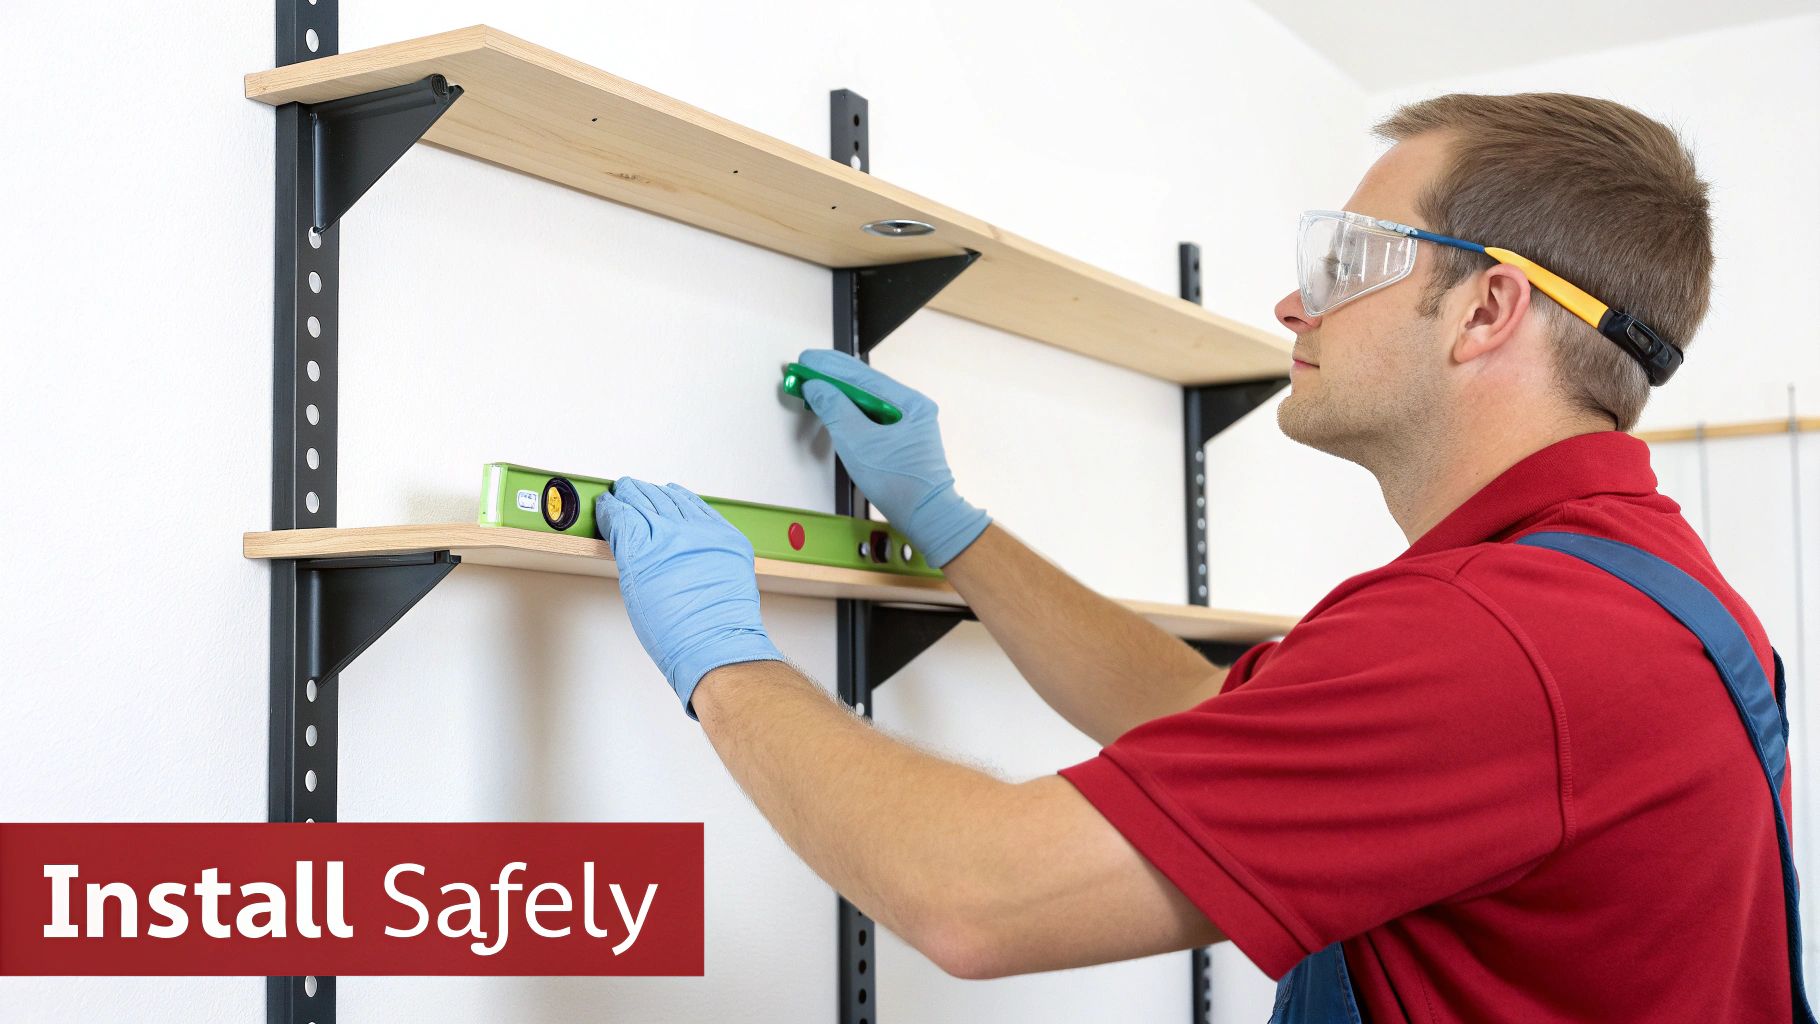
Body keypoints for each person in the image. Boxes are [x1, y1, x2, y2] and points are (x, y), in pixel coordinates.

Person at [595, 93, 1811, 1021]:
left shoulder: (1495, 639)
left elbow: (969, 895)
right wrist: (953, 526)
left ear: (1488, 309)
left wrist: (723, 655)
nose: (1293, 307)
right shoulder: (1637, 587)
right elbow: (1200, 713)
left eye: (1347, 261)